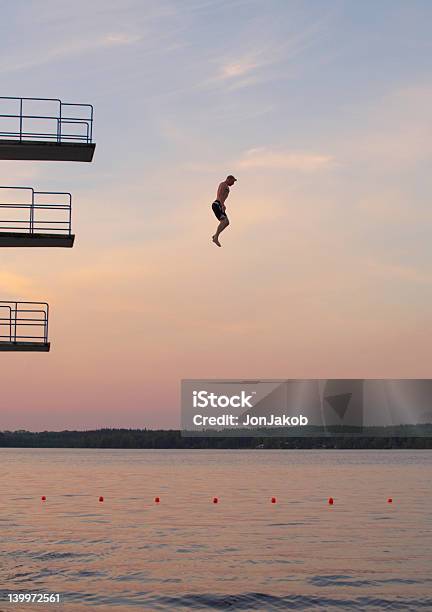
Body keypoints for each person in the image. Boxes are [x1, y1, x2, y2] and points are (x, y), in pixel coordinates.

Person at [211, 175, 237, 247]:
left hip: (219, 204)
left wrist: (223, 205)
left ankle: (215, 236)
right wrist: (221, 204)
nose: (233, 183)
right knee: (224, 221)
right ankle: (216, 237)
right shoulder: (223, 184)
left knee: (227, 222)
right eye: (233, 181)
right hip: (217, 204)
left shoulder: (227, 187)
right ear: (229, 179)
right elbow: (219, 194)